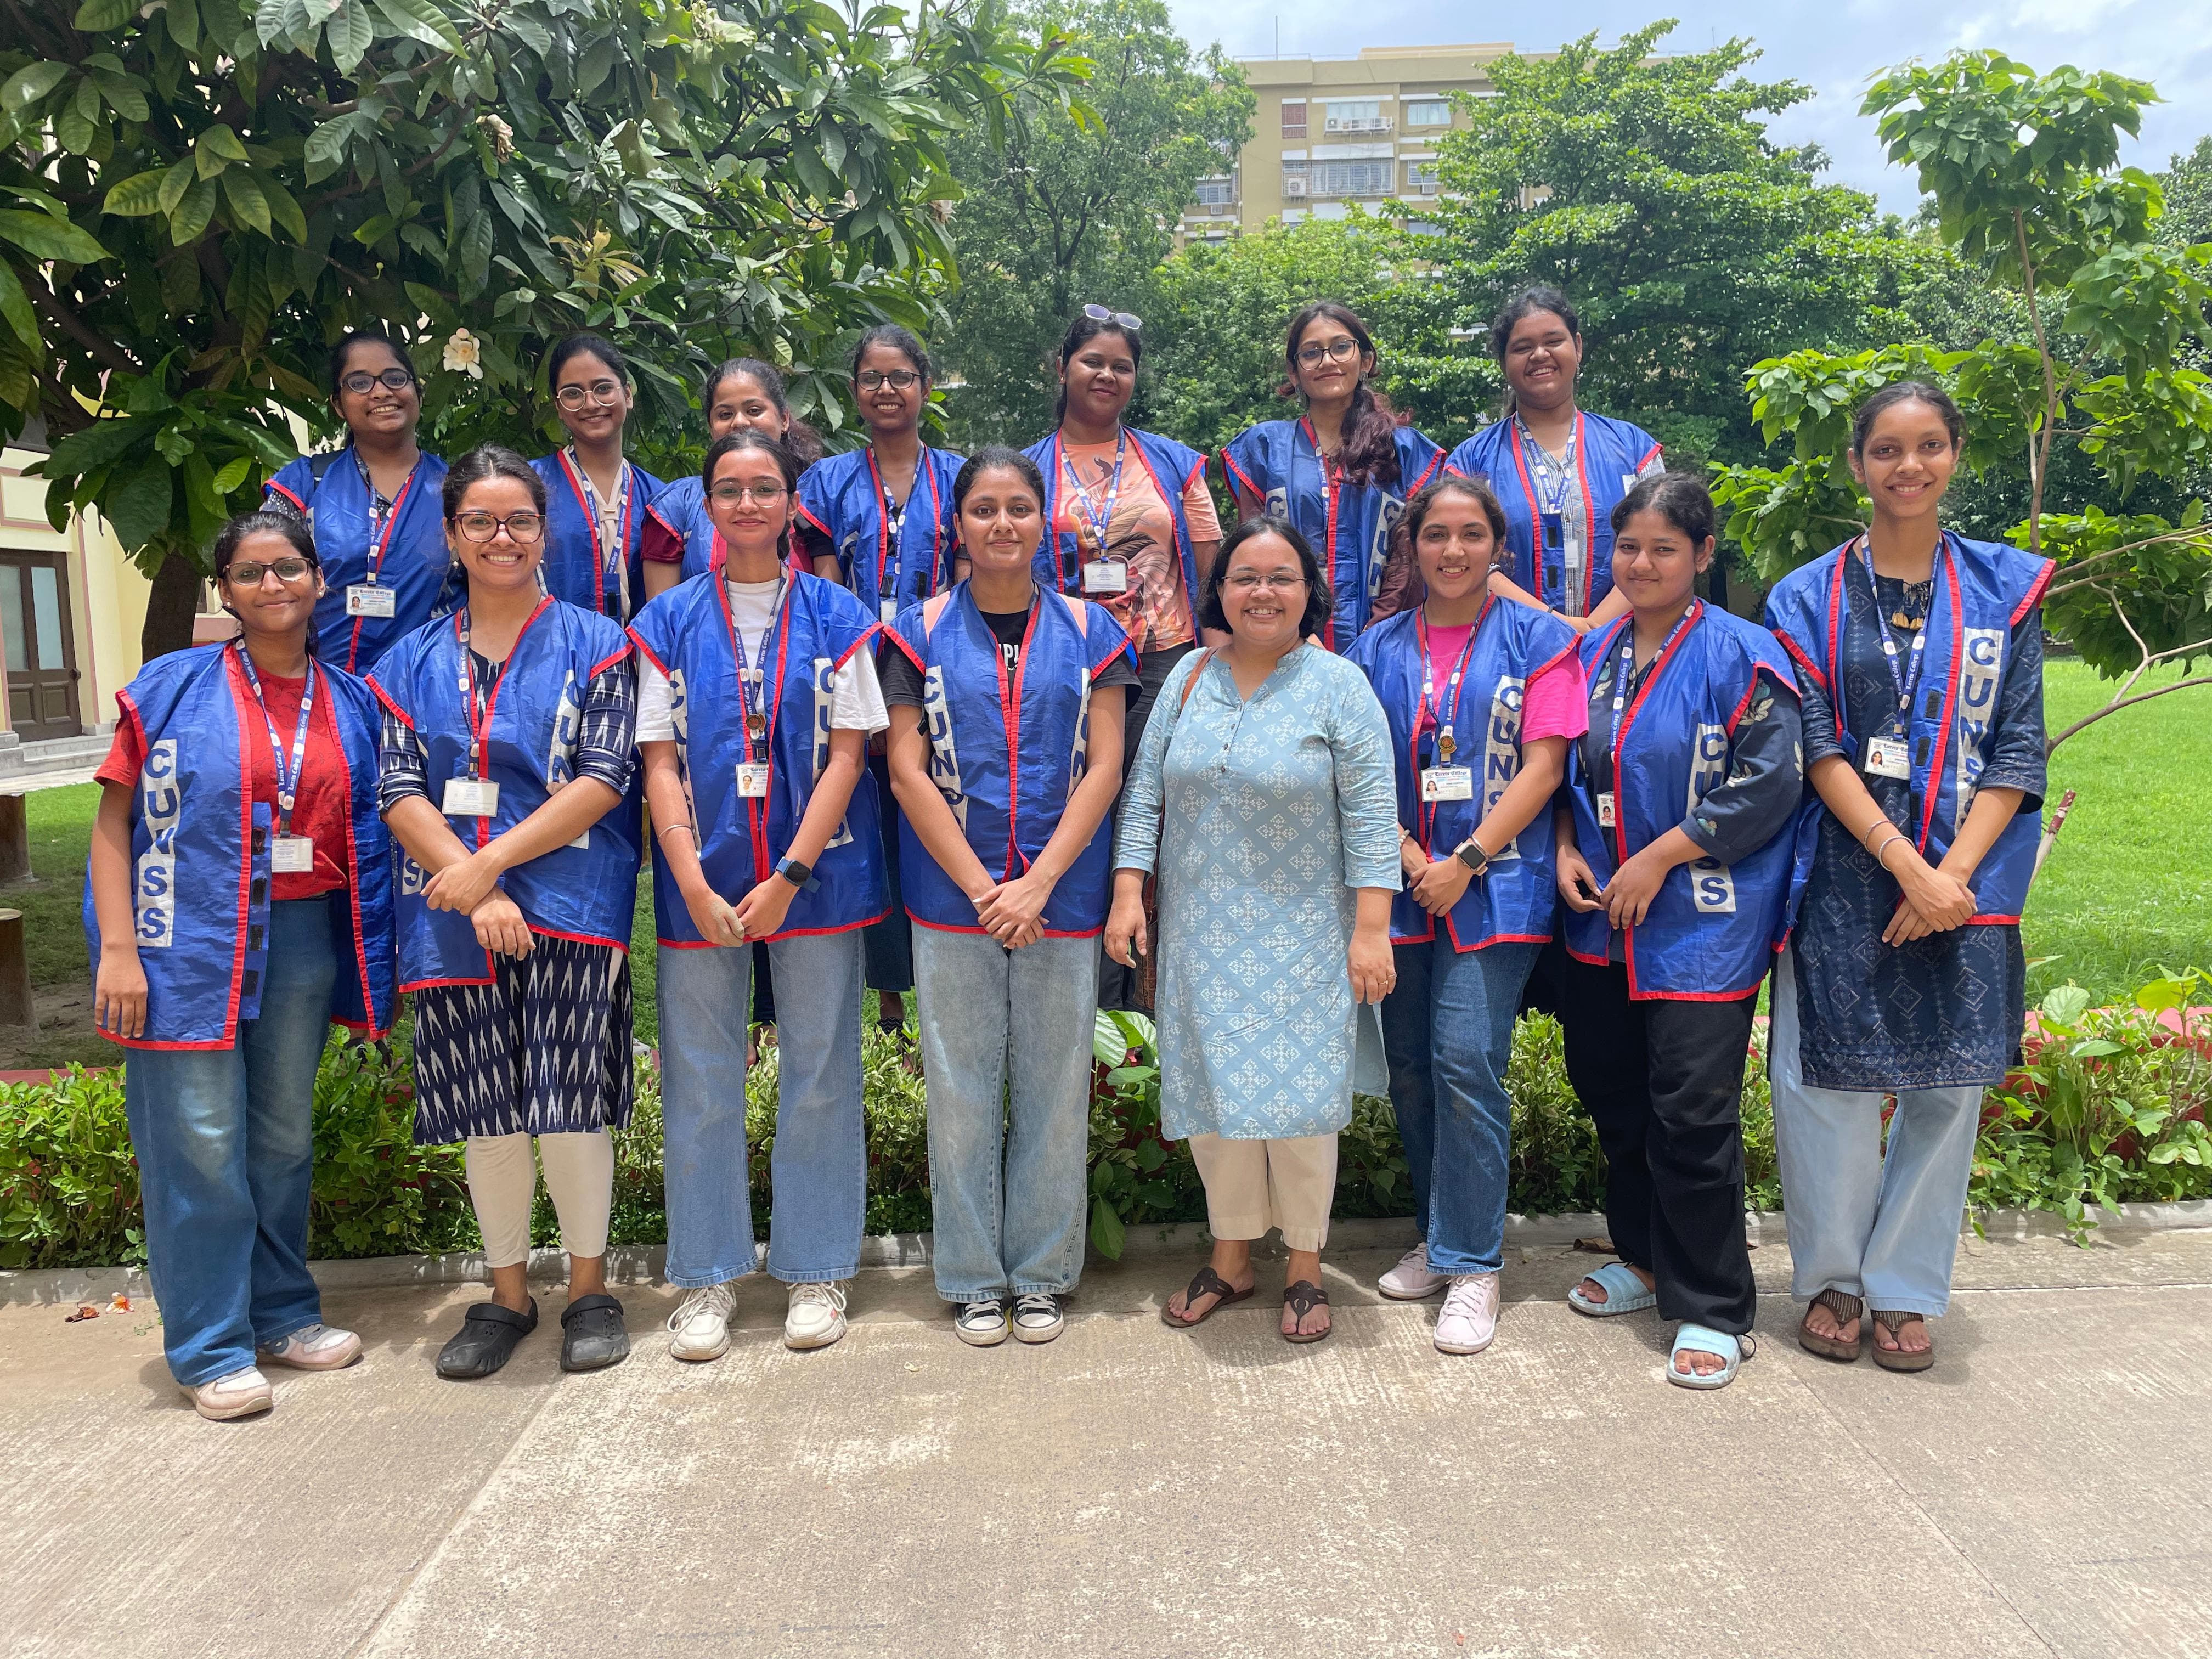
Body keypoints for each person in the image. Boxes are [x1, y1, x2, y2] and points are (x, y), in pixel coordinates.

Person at [1763, 382, 2049, 1374]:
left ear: (1956, 453)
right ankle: (1834, 1277)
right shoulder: (1806, 596)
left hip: (1968, 877)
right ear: (1857, 463)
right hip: (1843, 870)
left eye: (1929, 445)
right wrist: (1902, 863)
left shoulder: (2004, 588)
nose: (1908, 466)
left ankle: (1906, 1288)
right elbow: (1814, 741)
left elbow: (2019, 744)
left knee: (1947, 1088)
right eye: (1886, 449)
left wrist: (1949, 874)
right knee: (1824, 1082)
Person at [86, 511, 396, 1419]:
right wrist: (118, 949)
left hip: (298, 938)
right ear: (225, 588)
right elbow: (112, 827)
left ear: (319, 579)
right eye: (251, 572)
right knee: (199, 1142)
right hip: (183, 940)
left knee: (280, 1138)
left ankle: (282, 1314)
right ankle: (211, 1344)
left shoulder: (352, 699)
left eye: (288, 566)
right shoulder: (169, 688)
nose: (272, 585)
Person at [369, 444, 644, 1381]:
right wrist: (477, 888)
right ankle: (508, 1296)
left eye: (519, 520)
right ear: (452, 535)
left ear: (544, 531)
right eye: (480, 521)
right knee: (488, 1112)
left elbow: (603, 778)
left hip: (572, 900)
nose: (501, 536)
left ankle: (590, 1290)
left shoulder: (600, 642)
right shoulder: (408, 661)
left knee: (569, 1106)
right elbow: (399, 788)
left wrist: (489, 864)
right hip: (453, 909)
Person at [1107, 516, 1400, 1345]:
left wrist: (1371, 928)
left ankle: (1305, 1266)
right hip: (1199, 933)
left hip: (1307, 936)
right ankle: (1230, 1257)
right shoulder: (1189, 676)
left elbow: (1372, 814)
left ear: (1309, 592)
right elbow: (1145, 794)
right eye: (1245, 577)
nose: (1262, 592)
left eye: (1281, 578)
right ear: (1220, 590)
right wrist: (1128, 893)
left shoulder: (1339, 685)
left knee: (1303, 1109)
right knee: (1212, 1102)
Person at [631, 429, 890, 1362]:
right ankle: (706, 1275)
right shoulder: (666, 621)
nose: (747, 503)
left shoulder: (837, 613)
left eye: (765, 488)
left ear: (790, 504)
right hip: (699, 880)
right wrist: (690, 879)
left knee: (819, 1068)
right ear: (708, 506)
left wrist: (789, 876)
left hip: (815, 878)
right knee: (701, 1077)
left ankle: (816, 1266)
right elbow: (659, 761)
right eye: (730, 489)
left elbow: (850, 755)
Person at [1551, 473, 1804, 1390]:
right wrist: (1565, 845)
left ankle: (1713, 1305)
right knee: (1614, 1097)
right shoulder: (1590, 654)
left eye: (1664, 548)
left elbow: (1770, 780)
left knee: (1692, 1114)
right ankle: (1646, 1257)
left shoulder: (1746, 654)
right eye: (1629, 547)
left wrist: (1660, 856)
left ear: (1702, 554)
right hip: (1602, 920)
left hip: (1704, 922)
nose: (1642, 563)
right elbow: (1558, 765)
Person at [880, 448, 1136, 1346]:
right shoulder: (915, 632)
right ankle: (971, 1277)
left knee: (1056, 1088)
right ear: (958, 524)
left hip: (1062, 896)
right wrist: (989, 889)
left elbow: (1105, 766)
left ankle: (1040, 1274)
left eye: (1018, 507)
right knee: (959, 1090)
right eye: (983, 508)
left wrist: (1038, 884)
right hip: (953, 898)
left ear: (1042, 521)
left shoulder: (1095, 631)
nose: (1002, 523)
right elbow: (905, 770)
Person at [1345, 477, 1584, 1355]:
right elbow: (1358, 770)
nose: (1453, 551)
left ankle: (1476, 1265)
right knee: (1411, 1070)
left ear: (1499, 547)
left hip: (1500, 883)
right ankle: (1439, 1237)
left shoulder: (1541, 639)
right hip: (1403, 882)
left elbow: (1545, 766)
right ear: (1411, 545)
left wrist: (1467, 860)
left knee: (1465, 1061)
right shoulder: (1372, 648)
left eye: (1472, 534)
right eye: (1436, 535)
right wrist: (1417, 859)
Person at [1024, 306, 1221, 1008]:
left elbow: (1211, 573)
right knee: (1075, 814)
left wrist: (1217, 670)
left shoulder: (1176, 464)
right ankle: (1084, 998)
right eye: (1092, 361)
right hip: (1063, 665)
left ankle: (1149, 1002)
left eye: (1122, 366)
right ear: (1061, 368)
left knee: (1155, 819)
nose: (1107, 375)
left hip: (1162, 660)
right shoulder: (1027, 469)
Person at [795, 325, 965, 1038]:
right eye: (872, 377)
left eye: (901, 376)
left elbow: (967, 583)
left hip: (936, 666)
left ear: (924, 385)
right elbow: (824, 583)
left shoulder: (959, 476)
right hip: (855, 664)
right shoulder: (827, 481)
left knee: (930, 815)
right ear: (855, 390)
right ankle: (887, 1000)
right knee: (863, 821)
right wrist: (850, 664)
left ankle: (942, 985)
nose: (887, 389)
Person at [1223, 301, 1445, 651]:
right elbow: (1253, 549)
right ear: (1294, 373)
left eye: (1341, 348)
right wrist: (1299, 634)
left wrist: (1376, 635)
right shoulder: (1265, 448)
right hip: (1284, 639)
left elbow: (1410, 556)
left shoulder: (1404, 450)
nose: (1327, 361)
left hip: (1388, 640)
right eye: (1311, 353)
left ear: (1365, 361)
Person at [1444, 288, 1664, 632]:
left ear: (1577, 347)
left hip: (1625, 642)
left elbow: (1664, 545)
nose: (1539, 355)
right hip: (1508, 644)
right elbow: (1460, 559)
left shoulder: (1635, 450)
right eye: (1522, 348)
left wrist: (1595, 628)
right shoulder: (1470, 462)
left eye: (1553, 341)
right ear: (1503, 362)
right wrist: (1554, 627)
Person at [263, 328, 452, 673]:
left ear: (418, 393)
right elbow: (263, 579)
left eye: (395, 378)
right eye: (360, 383)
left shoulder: (457, 489)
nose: (381, 392)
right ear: (338, 405)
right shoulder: (305, 484)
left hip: (425, 686)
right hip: (318, 686)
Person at [642, 357, 826, 596]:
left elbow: (827, 605)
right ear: (711, 426)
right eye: (725, 414)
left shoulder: (816, 501)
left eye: (754, 411)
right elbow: (662, 614)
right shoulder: (676, 506)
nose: (739, 422)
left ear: (784, 419)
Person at [531, 334, 663, 620]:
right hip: (550, 644)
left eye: (603, 389)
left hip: (641, 646)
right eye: (573, 393)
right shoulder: (530, 485)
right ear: (558, 407)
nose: (591, 404)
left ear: (627, 395)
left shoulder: (659, 497)